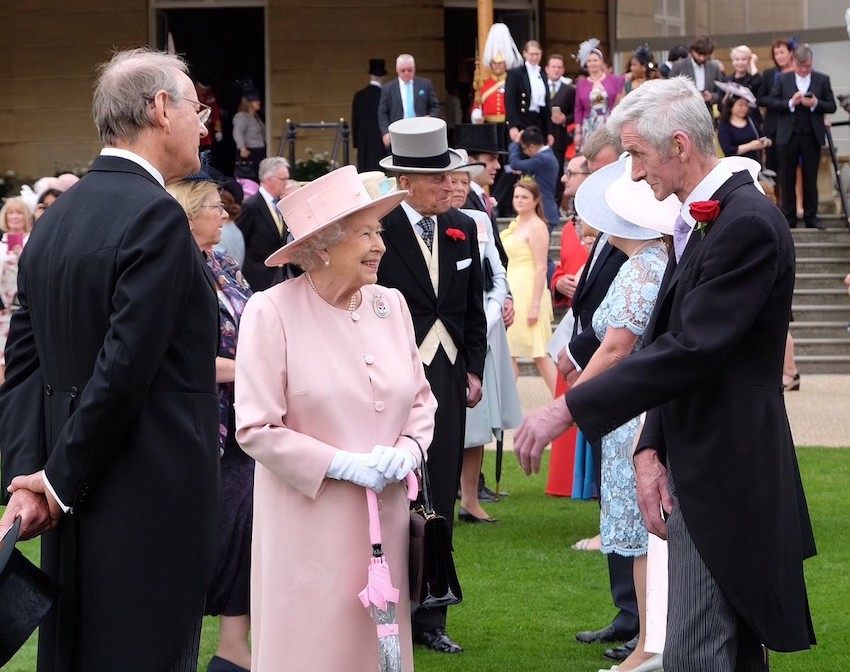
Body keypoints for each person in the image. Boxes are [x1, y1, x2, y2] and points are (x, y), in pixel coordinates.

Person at [515, 75, 816, 672]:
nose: (631, 174)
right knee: (704, 646)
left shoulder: (746, 222)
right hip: (699, 462)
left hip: (728, 470)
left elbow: (691, 350)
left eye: (636, 156)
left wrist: (567, 408)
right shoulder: (708, 218)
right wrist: (650, 449)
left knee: (702, 650)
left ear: (680, 145)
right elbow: (676, 347)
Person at [0, 47, 221, 671]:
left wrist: (33, 478)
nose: (203, 123)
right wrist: (53, 482)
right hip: (146, 489)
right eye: (196, 107)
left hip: (70, 494)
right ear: (159, 109)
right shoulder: (156, 217)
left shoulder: (56, 219)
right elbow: (126, 368)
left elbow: (24, 366)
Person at [234, 165, 437, 671]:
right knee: (312, 647)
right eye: (365, 233)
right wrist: (342, 464)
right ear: (322, 244)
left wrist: (410, 449)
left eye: (380, 232)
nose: (380, 246)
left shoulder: (390, 305)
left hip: (384, 521)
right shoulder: (270, 311)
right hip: (308, 526)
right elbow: (255, 427)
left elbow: (421, 400)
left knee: (378, 651)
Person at [376, 116, 487, 654]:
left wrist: (473, 368)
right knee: (393, 492)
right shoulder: (377, 229)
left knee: (439, 488)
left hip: (446, 376)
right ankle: (389, 607)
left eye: (453, 179)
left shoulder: (463, 227)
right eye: (440, 179)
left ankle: (432, 615)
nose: (451, 187)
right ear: (406, 182)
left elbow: (472, 310)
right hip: (391, 377)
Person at [571, 155, 676, 672]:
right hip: (635, 410)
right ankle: (651, 644)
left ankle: (649, 648)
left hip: (634, 415)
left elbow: (616, 347)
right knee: (644, 535)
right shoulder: (651, 262)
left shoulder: (643, 267)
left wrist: (570, 405)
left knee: (642, 537)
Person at [166, 176, 254, 672]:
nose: (224, 215)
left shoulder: (224, 264)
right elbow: (173, 359)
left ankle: (233, 647)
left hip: (243, 423)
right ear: (188, 212)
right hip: (196, 427)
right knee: (205, 537)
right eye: (214, 208)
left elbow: (257, 323)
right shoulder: (171, 269)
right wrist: (247, 372)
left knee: (243, 526)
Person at [450, 157, 522, 523]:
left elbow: (498, 272)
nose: (460, 188)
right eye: (454, 182)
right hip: (448, 328)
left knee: (478, 419)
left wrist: (493, 311)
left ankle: (470, 500)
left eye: (465, 182)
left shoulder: (479, 221)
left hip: (484, 329)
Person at [545, 156, 590, 498]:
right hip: (574, 322)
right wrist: (559, 282)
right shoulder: (571, 225)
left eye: (571, 173)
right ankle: (565, 480)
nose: (564, 179)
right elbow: (561, 267)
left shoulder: (599, 222)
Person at [765, 44, 836, 230]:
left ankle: (811, 216)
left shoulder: (822, 79)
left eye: (807, 67)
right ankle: (789, 217)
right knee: (787, 178)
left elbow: (832, 105)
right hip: (788, 136)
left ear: (812, 63)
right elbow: (771, 102)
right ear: (794, 62)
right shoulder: (782, 78)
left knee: (811, 178)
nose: (804, 70)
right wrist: (790, 102)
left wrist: (815, 103)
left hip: (811, 136)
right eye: (800, 66)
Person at [501, 177, 557, 393]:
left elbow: (542, 267)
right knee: (509, 351)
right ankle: (508, 401)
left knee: (539, 352)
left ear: (535, 200)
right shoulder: (516, 224)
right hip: (512, 286)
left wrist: (535, 304)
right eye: (517, 196)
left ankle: (561, 401)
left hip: (528, 290)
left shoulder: (537, 226)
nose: (519, 201)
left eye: (525, 197)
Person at [236, 156, 295, 290]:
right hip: (258, 277)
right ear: (269, 179)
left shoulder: (281, 203)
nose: (286, 183)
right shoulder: (251, 206)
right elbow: (240, 240)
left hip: (280, 275)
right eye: (283, 179)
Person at [757, 38, 797, 200]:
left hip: (794, 128)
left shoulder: (798, 73)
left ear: (791, 53)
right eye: (776, 53)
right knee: (772, 167)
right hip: (773, 127)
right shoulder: (770, 74)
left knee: (789, 170)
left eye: (782, 52)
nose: (779, 56)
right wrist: (783, 103)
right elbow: (761, 98)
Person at [0, 197, 33, 384]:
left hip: (22, 307)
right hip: (2, 309)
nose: (14, 216)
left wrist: (22, 257)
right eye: (11, 212)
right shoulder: (1, 241)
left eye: (19, 212)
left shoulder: (33, 240)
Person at [378, 54, 441, 149]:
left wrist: (430, 118)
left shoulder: (425, 84)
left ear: (414, 69)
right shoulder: (388, 88)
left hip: (421, 131)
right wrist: (385, 132)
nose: (406, 73)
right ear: (397, 70)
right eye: (403, 70)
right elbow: (382, 112)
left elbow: (435, 106)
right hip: (398, 133)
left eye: (410, 70)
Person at [573, 39, 625, 153]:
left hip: (609, 123)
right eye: (590, 60)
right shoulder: (582, 84)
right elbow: (578, 109)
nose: (592, 63)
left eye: (595, 60)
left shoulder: (614, 79)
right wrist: (577, 132)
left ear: (601, 62)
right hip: (589, 125)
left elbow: (622, 97)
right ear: (586, 63)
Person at [507, 125, 560, 231]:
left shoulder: (543, 158)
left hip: (544, 212)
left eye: (523, 149)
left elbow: (514, 163)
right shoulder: (546, 156)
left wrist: (515, 143)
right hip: (544, 211)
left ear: (532, 146)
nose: (524, 152)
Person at [505, 40, 551, 143]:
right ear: (525, 54)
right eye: (532, 54)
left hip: (539, 122)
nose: (534, 57)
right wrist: (513, 126)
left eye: (537, 54)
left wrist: (549, 131)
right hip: (522, 121)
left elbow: (546, 105)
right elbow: (510, 101)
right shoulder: (516, 74)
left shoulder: (542, 75)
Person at [546, 53, 576, 204]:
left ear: (563, 70)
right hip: (542, 137)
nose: (556, 70)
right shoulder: (539, 86)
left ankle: (556, 206)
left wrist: (565, 119)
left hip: (559, 137)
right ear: (547, 69)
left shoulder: (569, 89)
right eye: (553, 67)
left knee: (557, 173)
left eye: (559, 67)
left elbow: (575, 113)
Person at [668, 35, 723, 113]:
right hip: (683, 113)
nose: (701, 58)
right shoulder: (679, 66)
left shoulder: (714, 68)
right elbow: (669, 90)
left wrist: (711, 96)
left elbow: (720, 93)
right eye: (699, 54)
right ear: (692, 51)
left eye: (705, 55)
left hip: (706, 113)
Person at [351, 58, 388, 171]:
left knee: (365, 173)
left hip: (363, 141)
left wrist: (356, 145)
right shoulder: (385, 95)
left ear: (370, 75)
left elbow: (354, 122)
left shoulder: (359, 95)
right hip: (380, 141)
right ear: (383, 77)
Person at [717, 91, 770, 162]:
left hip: (754, 162)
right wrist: (750, 146)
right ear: (731, 106)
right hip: (735, 165)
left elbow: (762, 136)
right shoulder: (724, 126)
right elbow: (728, 150)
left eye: (746, 105)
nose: (744, 108)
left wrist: (766, 142)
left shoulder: (751, 121)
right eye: (740, 105)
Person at [232, 88, 266, 181]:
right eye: (255, 100)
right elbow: (237, 132)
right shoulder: (241, 116)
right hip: (249, 152)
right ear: (249, 103)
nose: (259, 102)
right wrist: (242, 148)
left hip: (259, 151)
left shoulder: (256, 117)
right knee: (250, 177)